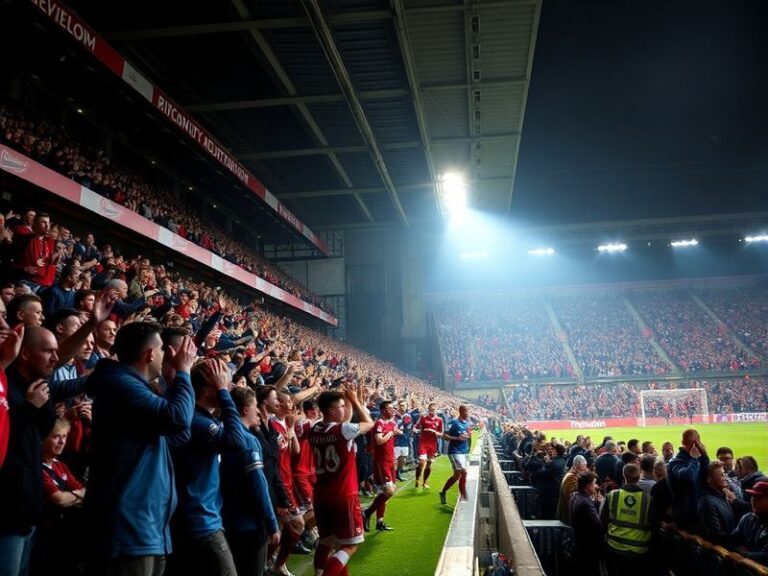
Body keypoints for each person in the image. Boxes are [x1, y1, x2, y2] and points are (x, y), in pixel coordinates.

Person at [84, 323, 197, 576]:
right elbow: (178, 418)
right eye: (162, 350)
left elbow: (182, 434)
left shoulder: (141, 389)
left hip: (151, 527)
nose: (166, 356)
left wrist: (174, 381)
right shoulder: (121, 383)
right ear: (150, 354)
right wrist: (184, 373)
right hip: (128, 529)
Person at [171, 358, 244, 576]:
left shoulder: (201, 418)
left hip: (199, 518)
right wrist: (224, 392)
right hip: (201, 521)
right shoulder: (198, 422)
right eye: (223, 384)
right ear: (206, 390)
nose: (230, 389)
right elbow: (237, 442)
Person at [0, 326, 56, 576]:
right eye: (48, 351)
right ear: (25, 353)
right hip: (6, 515)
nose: (55, 358)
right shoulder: (5, 385)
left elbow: (43, 430)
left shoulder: (38, 387)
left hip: (29, 512)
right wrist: (28, 408)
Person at [309, 386, 374, 576]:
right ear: (331, 411)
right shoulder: (342, 430)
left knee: (326, 541)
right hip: (343, 495)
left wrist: (349, 402)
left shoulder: (315, 429)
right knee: (350, 546)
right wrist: (355, 401)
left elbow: (345, 421)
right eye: (341, 406)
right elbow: (368, 423)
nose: (345, 409)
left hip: (321, 496)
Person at [221, 386, 280, 576]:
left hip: (228, 520)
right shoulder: (248, 440)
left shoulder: (223, 434)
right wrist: (272, 523)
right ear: (246, 409)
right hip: (250, 523)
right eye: (255, 406)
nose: (258, 411)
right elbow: (258, 485)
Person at [36, 418, 87, 575]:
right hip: (43, 538)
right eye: (56, 436)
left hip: (62, 536)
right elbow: (58, 499)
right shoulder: (37, 467)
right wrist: (77, 497)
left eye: (64, 437)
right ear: (43, 438)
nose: (61, 441)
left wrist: (71, 496)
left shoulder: (61, 465)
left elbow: (85, 490)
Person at [601, 463, 653, 576]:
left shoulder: (612, 495)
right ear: (639, 477)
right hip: (639, 550)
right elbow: (654, 523)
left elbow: (603, 521)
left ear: (624, 475)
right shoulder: (648, 500)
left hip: (615, 547)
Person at [363, 400, 399, 531]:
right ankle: (366, 513)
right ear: (384, 410)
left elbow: (394, 432)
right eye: (391, 408)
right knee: (389, 491)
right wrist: (391, 434)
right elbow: (379, 441)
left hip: (389, 460)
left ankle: (380, 521)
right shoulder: (379, 423)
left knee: (384, 493)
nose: (393, 410)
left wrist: (396, 432)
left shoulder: (391, 422)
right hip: (382, 461)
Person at [667, 429, 709, 530]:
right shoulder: (675, 462)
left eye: (696, 442)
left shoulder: (697, 459)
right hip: (686, 515)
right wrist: (694, 458)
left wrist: (704, 454)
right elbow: (689, 477)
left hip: (700, 511)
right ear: (683, 443)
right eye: (691, 442)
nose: (694, 446)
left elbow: (705, 473)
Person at [569, 471, 604, 576]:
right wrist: (600, 505)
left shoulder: (574, 495)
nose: (596, 486)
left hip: (579, 542)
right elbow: (598, 525)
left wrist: (595, 504)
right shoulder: (585, 503)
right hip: (588, 547)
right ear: (588, 486)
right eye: (594, 483)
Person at [698, 461, 736, 547]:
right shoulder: (707, 502)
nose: (725, 477)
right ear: (709, 479)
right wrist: (738, 542)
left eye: (724, 474)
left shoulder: (722, 496)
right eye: (721, 475)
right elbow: (715, 536)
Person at [439, 404, 471, 505]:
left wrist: (468, 449)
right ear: (461, 411)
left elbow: (468, 437)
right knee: (464, 472)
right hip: (454, 451)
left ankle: (443, 492)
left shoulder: (468, 424)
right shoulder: (454, 422)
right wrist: (457, 438)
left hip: (464, 451)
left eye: (468, 411)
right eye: (466, 411)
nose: (468, 413)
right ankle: (464, 496)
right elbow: (444, 436)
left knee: (457, 475)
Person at [731, 481, 768, 566]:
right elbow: (732, 541)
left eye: (759, 497)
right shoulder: (747, 518)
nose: (753, 500)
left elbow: (765, 557)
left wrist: (742, 553)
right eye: (752, 496)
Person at [414, 402, 443, 489]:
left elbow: (441, 433)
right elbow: (416, 426)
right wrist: (416, 430)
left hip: (432, 444)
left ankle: (425, 482)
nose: (432, 411)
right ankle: (417, 479)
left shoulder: (439, 420)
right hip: (423, 442)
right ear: (428, 409)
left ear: (436, 410)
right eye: (431, 409)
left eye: (434, 409)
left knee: (429, 464)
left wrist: (435, 432)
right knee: (422, 462)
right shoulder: (423, 418)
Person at [558, 454, 588, 524]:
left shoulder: (575, 475)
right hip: (568, 517)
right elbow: (573, 497)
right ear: (576, 467)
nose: (585, 470)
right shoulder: (571, 478)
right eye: (583, 468)